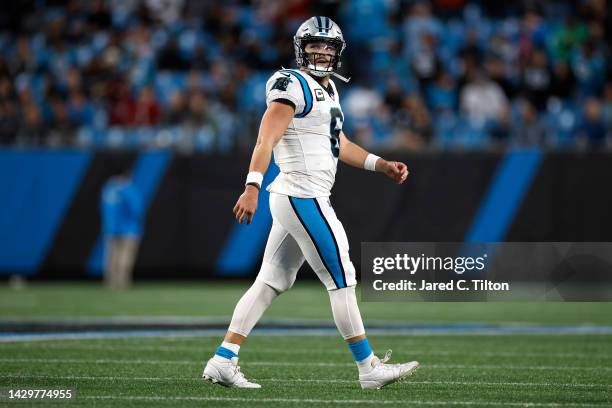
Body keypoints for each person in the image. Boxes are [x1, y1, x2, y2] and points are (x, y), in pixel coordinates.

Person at [202, 16, 418, 390]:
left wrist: (380, 164)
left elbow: (340, 144)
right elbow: (264, 140)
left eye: (328, 46)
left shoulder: (330, 89)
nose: (322, 51)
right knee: (343, 278)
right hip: (303, 195)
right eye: (315, 45)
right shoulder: (291, 83)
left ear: (338, 52)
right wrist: (252, 185)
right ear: (301, 48)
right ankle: (368, 368)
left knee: (271, 281)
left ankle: (224, 359)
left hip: (297, 197)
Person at [101, 171, 143, 290]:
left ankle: (110, 282)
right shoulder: (129, 190)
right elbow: (136, 210)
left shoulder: (108, 189)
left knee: (111, 257)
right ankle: (122, 282)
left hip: (110, 229)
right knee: (125, 257)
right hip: (129, 230)